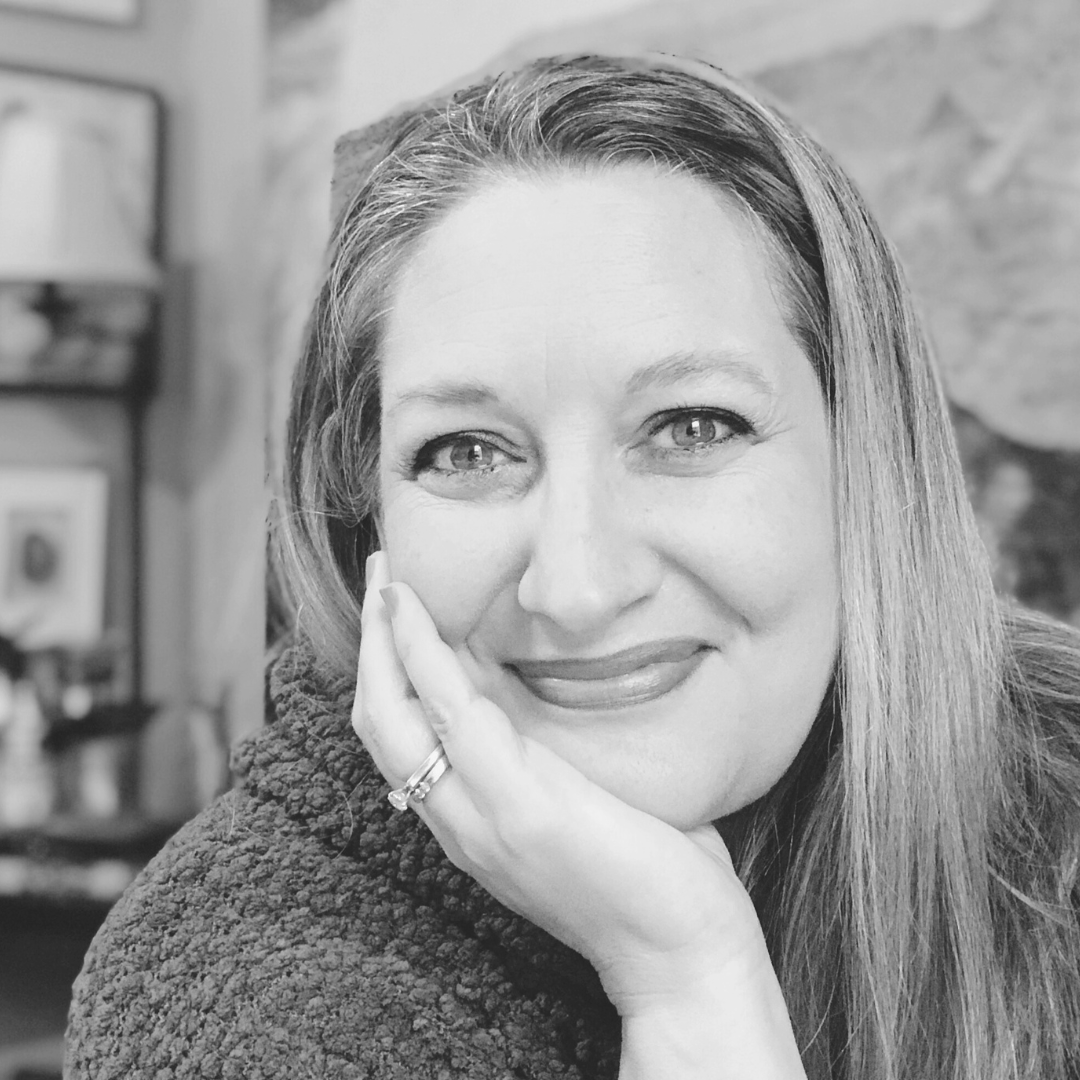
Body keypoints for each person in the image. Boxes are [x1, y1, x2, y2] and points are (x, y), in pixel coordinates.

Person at [66, 54, 1080, 1079]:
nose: (579, 588)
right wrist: (689, 983)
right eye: (468, 452)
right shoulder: (252, 1005)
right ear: (363, 505)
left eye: (692, 427)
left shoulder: (1058, 808)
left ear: (867, 455)